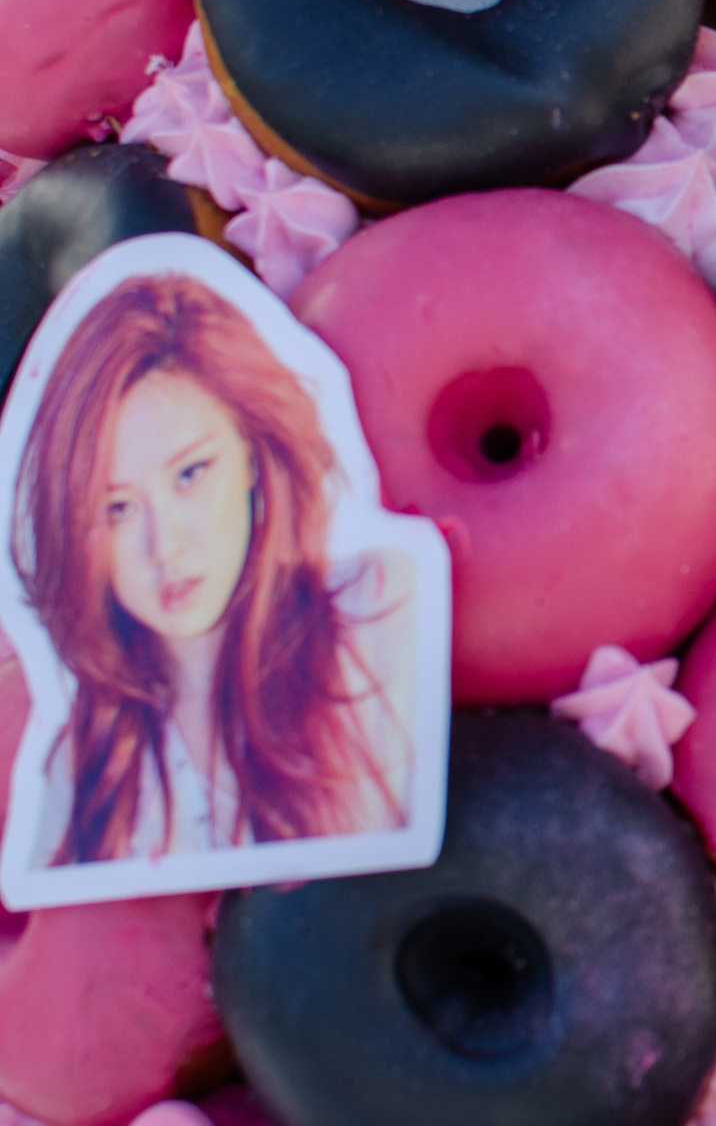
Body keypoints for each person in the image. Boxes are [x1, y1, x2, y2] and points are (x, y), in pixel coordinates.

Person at [13, 273, 415, 865]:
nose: (166, 547)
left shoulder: (377, 617)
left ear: (252, 453)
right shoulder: (82, 771)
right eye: (117, 509)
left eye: (191, 474)